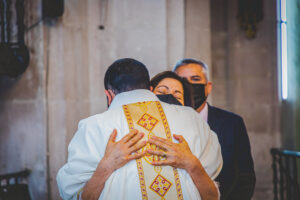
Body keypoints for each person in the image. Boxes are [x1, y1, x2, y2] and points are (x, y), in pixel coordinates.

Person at [56, 58, 223, 200]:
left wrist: (105, 167)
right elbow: (212, 196)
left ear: (109, 95)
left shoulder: (94, 127)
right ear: (150, 89)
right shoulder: (191, 118)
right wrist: (192, 165)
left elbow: (76, 196)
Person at [174, 58, 256, 200]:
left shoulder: (232, 123)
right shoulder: (168, 122)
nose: (189, 86)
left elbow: (245, 177)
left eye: (195, 79)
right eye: (183, 81)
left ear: (208, 86)